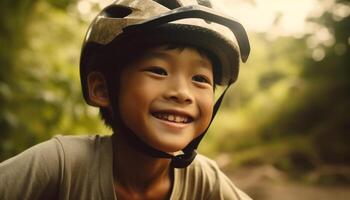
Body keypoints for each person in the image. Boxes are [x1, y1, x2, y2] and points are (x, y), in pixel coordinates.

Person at [0, 0, 252, 199]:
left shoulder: (203, 179)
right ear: (102, 89)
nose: (182, 93)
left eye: (200, 78)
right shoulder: (62, 165)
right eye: (158, 70)